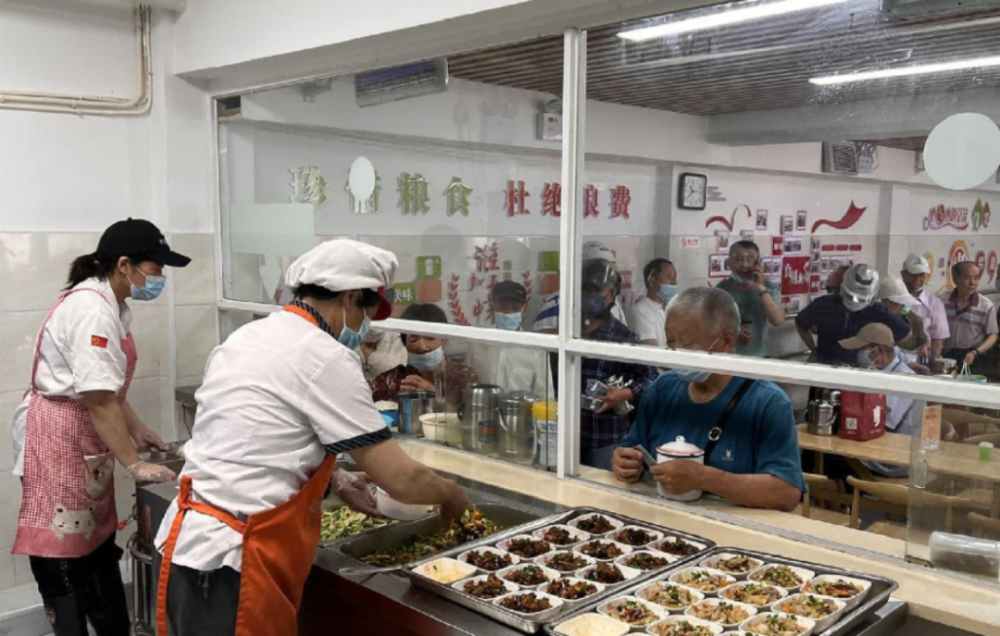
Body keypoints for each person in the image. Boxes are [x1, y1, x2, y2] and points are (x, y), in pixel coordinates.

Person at [154, 239, 468, 636]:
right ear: (351, 296)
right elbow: (401, 480)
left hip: (191, 544)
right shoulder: (326, 356)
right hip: (233, 561)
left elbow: (259, 439)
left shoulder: (249, 337)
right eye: (369, 311)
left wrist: (337, 479)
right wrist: (452, 495)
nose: (367, 324)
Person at [11, 218, 188, 636]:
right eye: (156, 267)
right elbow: (97, 398)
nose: (159, 277)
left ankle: (110, 626)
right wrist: (134, 465)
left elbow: (108, 390)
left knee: (93, 544)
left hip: (82, 435)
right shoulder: (92, 310)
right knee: (64, 549)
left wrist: (138, 429)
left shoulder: (112, 304)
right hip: (59, 437)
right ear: (124, 265)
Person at [612, 288, 804, 511]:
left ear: (726, 340)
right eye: (671, 343)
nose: (677, 353)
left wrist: (704, 479)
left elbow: (787, 493)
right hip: (662, 519)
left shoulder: (767, 402)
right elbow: (631, 447)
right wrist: (623, 461)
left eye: (688, 343)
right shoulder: (663, 389)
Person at [577, 260, 659, 470]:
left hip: (605, 437)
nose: (590, 295)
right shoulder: (569, 331)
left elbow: (650, 376)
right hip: (569, 432)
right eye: (585, 289)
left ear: (612, 294)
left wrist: (624, 394)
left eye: (597, 290)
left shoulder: (624, 337)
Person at [838, 324, 924, 478]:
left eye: (862, 350)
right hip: (878, 448)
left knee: (829, 460)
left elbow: (880, 424)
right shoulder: (881, 374)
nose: (858, 355)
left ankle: (850, 498)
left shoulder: (902, 380)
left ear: (880, 352)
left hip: (892, 461)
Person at [370, 303, 480, 410]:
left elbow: (474, 419)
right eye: (413, 339)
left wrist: (433, 394)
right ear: (405, 343)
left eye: (430, 338)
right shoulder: (391, 380)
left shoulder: (464, 378)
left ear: (444, 340)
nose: (422, 346)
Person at [795, 264, 910, 366]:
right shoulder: (823, 304)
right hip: (826, 365)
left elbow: (905, 335)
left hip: (863, 369)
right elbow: (801, 323)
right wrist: (813, 349)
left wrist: (882, 350)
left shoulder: (878, 310)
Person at [715, 241, 785, 357]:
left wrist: (761, 288)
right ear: (729, 263)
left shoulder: (769, 288)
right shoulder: (721, 290)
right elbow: (712, 324)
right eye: (738, 259)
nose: (744, 265)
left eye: (749, 260)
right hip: (730, 357)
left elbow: (777, 321)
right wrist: (734, 330)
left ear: (758, 263)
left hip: (760, 356)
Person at [493, 281, 555, 398]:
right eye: (502, 306)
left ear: (524, 309)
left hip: (521, 415)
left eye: (514, 307)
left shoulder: (535, 349)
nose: (508, 312)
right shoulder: (478, 343)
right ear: (493, 307)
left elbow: (546, 396)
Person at [942, 261, 999, 380]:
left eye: (976, 278)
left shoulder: (986, 306)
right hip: (946, 355)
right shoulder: (942, 301)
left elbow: (993, 335)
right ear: (955, 278)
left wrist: (975, 352)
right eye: (968, 278)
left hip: (973, 356)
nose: (973, 283)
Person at [901, 254, 950, 365]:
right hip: (896, 358)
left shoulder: (935, 303)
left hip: (921, 360)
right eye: (913, 275)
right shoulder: (892, 298)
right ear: (903, 274)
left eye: (921, 275)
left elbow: (938, 340)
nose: (918, 279)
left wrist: (933, 366)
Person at [879, 276, 929, 373]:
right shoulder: (877, 325)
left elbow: (896, 352)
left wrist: (913, 365)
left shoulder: (894, 322)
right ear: (888, 303)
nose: (903, 307)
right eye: (900, 303)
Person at [627, 258, 677, 347]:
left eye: (674, 277)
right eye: (668, 276)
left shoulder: (672, 309)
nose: (674, 282)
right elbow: (652, 349)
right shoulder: (640, 311)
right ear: (652, 281)